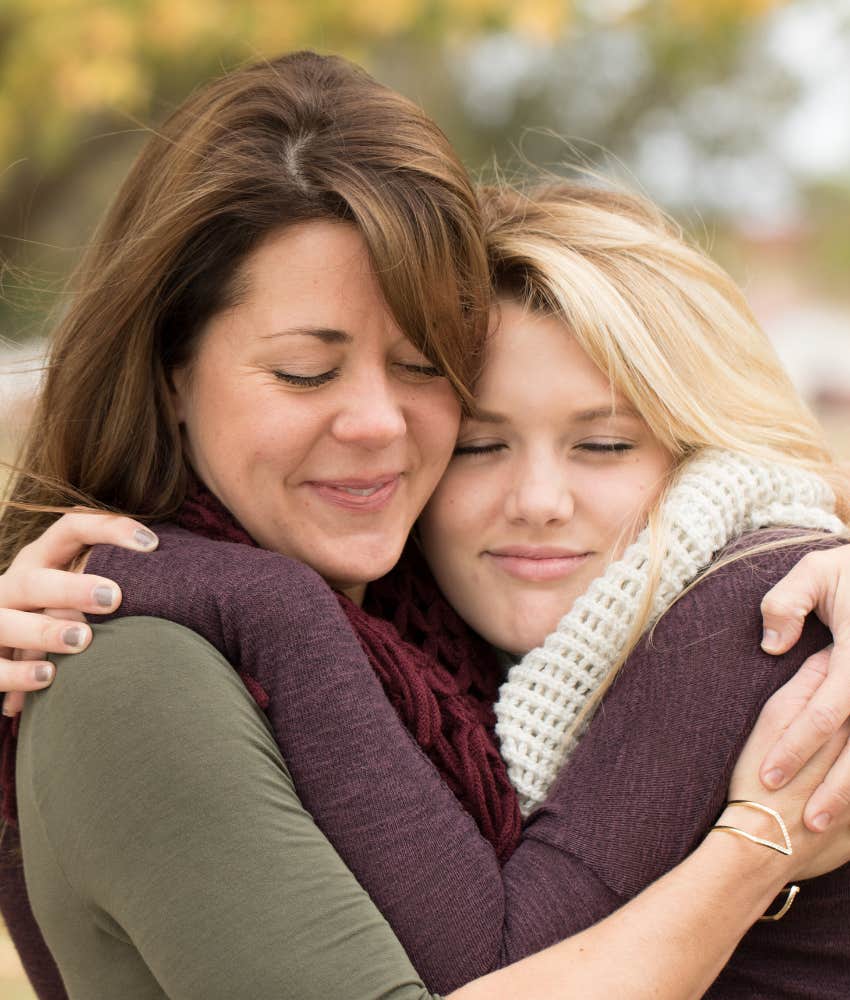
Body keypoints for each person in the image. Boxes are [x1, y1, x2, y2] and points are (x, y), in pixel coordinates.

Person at [0, 52, 849, 999]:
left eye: (420, 366)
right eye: (305, 372)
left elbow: (488, 965)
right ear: (169, 371)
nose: (377, 424)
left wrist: (755, 847)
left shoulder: (757, 608)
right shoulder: (413, 622)